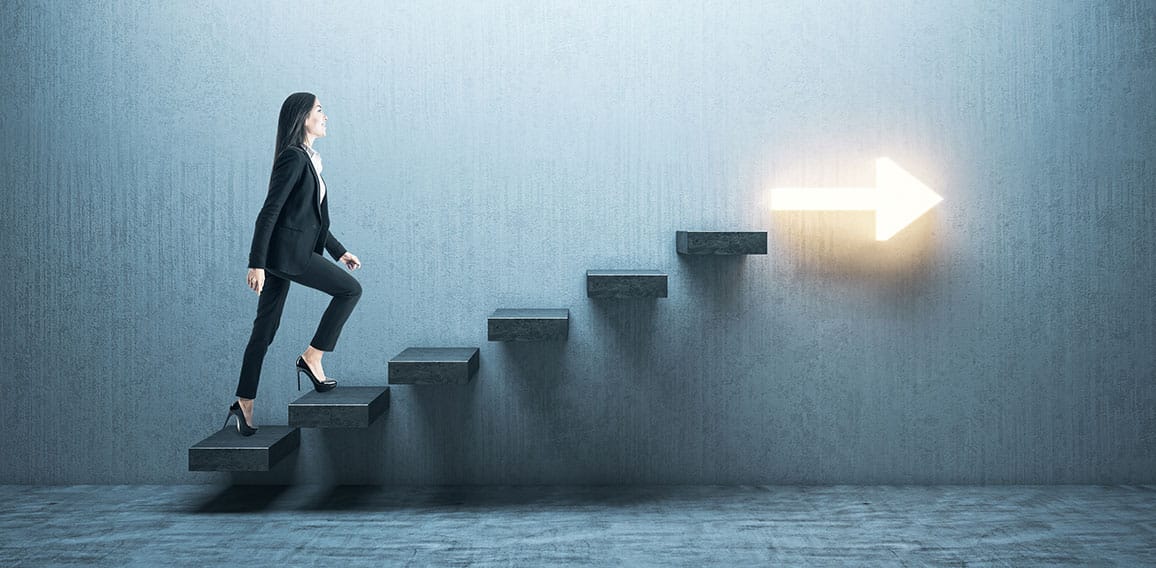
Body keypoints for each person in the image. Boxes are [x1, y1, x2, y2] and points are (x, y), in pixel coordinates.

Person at [224, 92, 363, 436]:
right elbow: (270, 211)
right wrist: (255, 263)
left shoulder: (310, 160)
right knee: (350, 290)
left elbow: (311, 220)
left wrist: (339, 251)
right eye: (319, 110)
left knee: (264, 332)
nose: (325, 116)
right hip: (288, 257)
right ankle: (312, 358)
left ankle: (243, 404)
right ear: (303, 117)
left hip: (286, 254)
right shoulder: (293, 158)